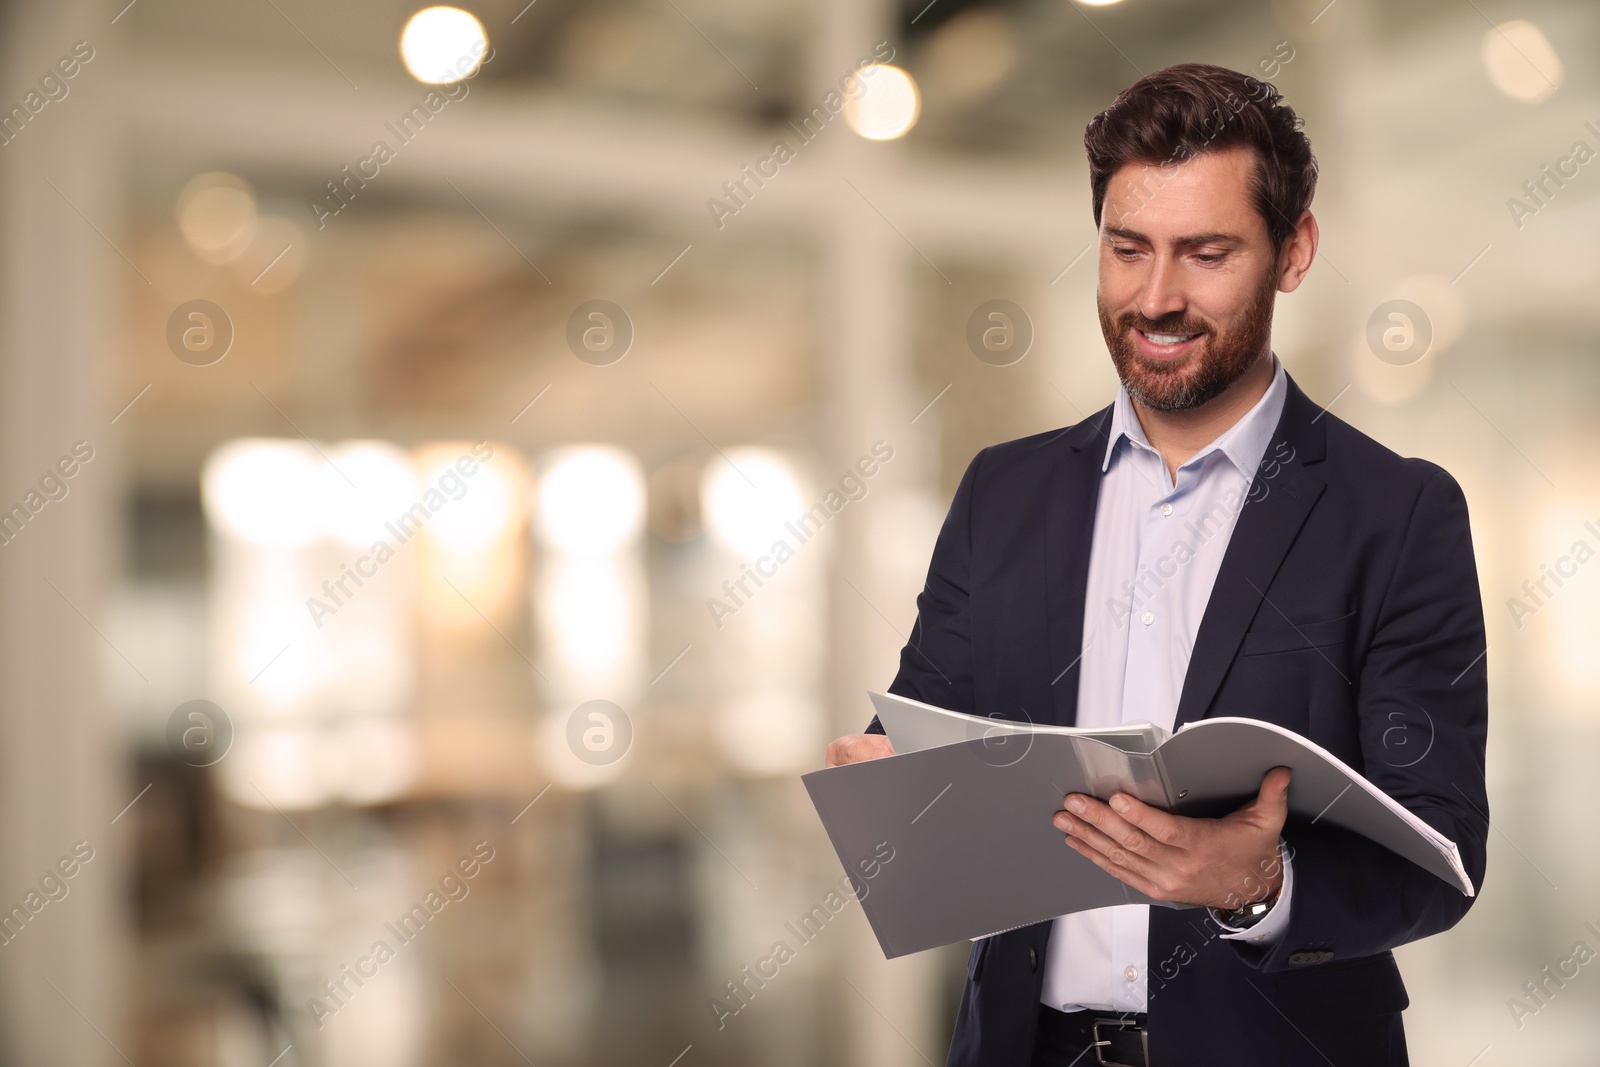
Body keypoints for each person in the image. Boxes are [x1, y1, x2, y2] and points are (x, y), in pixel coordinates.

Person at [824, 63, 1488, 1067]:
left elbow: (1439, 855)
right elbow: (927, 720)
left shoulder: (1395, 514)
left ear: (1292, 251)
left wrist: (1256, 883)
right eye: (1126, 248)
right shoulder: (1002, 492)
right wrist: (886, 783)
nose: (1156, 296)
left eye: (1205, 253)